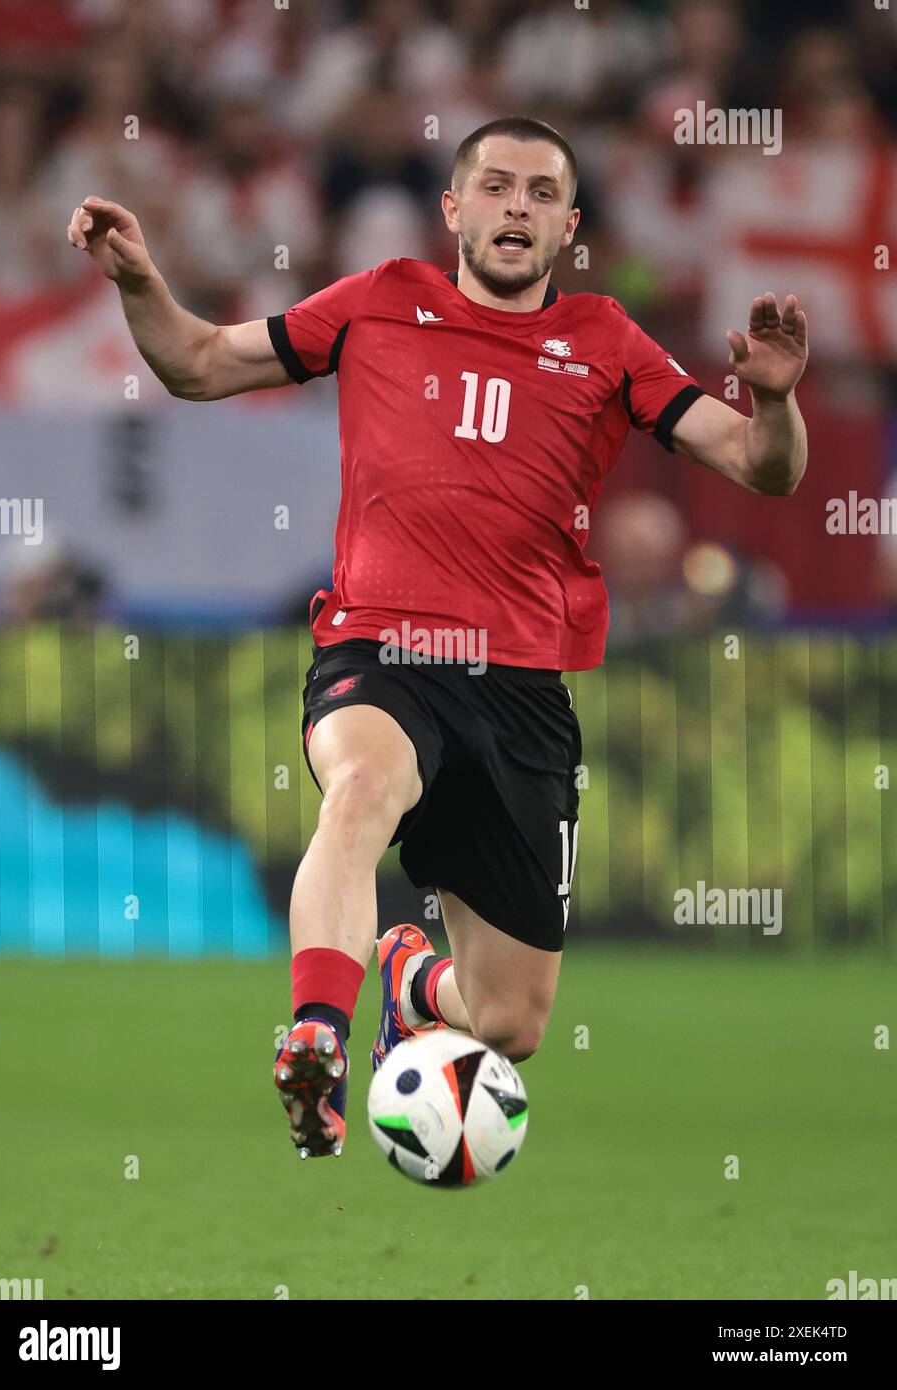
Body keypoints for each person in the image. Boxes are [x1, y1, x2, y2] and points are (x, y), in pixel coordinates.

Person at [66, 116, 808, 1161]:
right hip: (383, 652)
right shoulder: (377, 300)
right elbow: (195, 363)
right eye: (496, 186)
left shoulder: (607, 341)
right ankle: (314, 1037)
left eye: (541, 193)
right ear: (453, 210)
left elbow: (759, 464)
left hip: (520, 692)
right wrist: (139, 280)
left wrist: (773, 404)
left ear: (568, 226)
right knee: (360, 792)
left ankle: (408, 973)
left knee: (509, 1023)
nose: (517, 205)